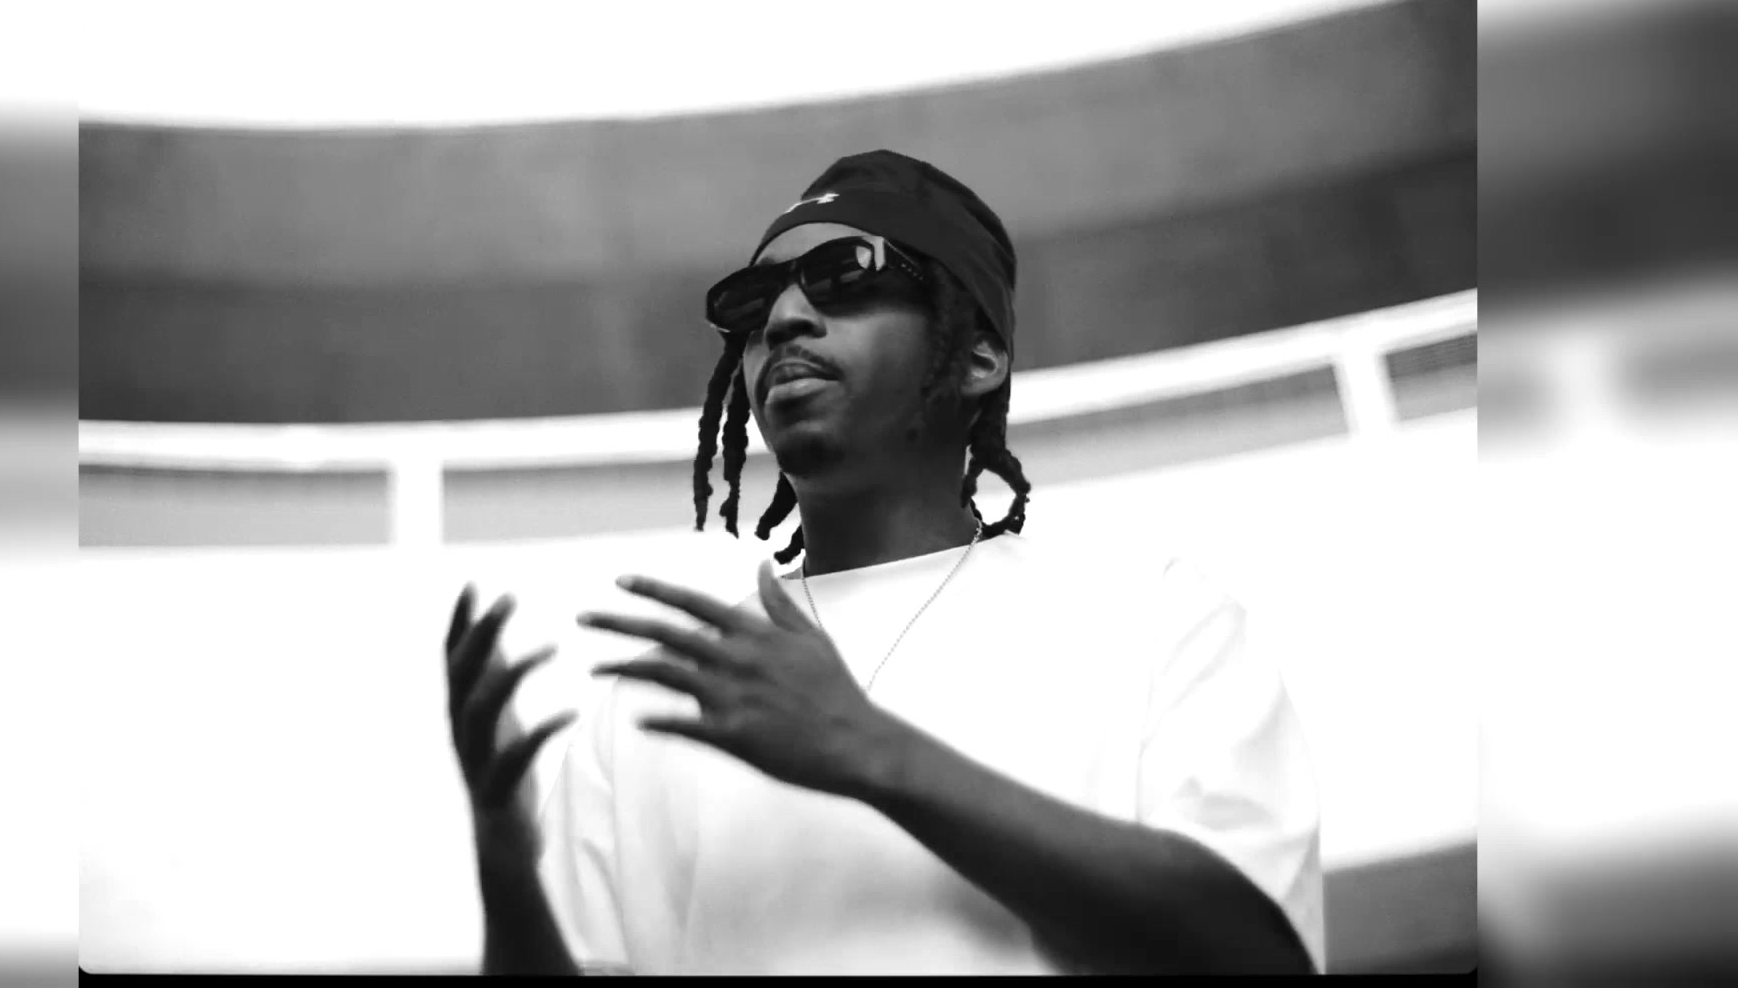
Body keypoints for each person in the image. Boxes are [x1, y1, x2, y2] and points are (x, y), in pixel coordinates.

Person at [443, 150, 1325, 975]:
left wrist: (869, 750)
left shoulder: (1147, 615)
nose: (783, 319)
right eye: (755, 303)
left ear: (977, 356)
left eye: (845, 276)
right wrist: (509, 878)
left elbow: (1258, 952)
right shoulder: (664, 696)